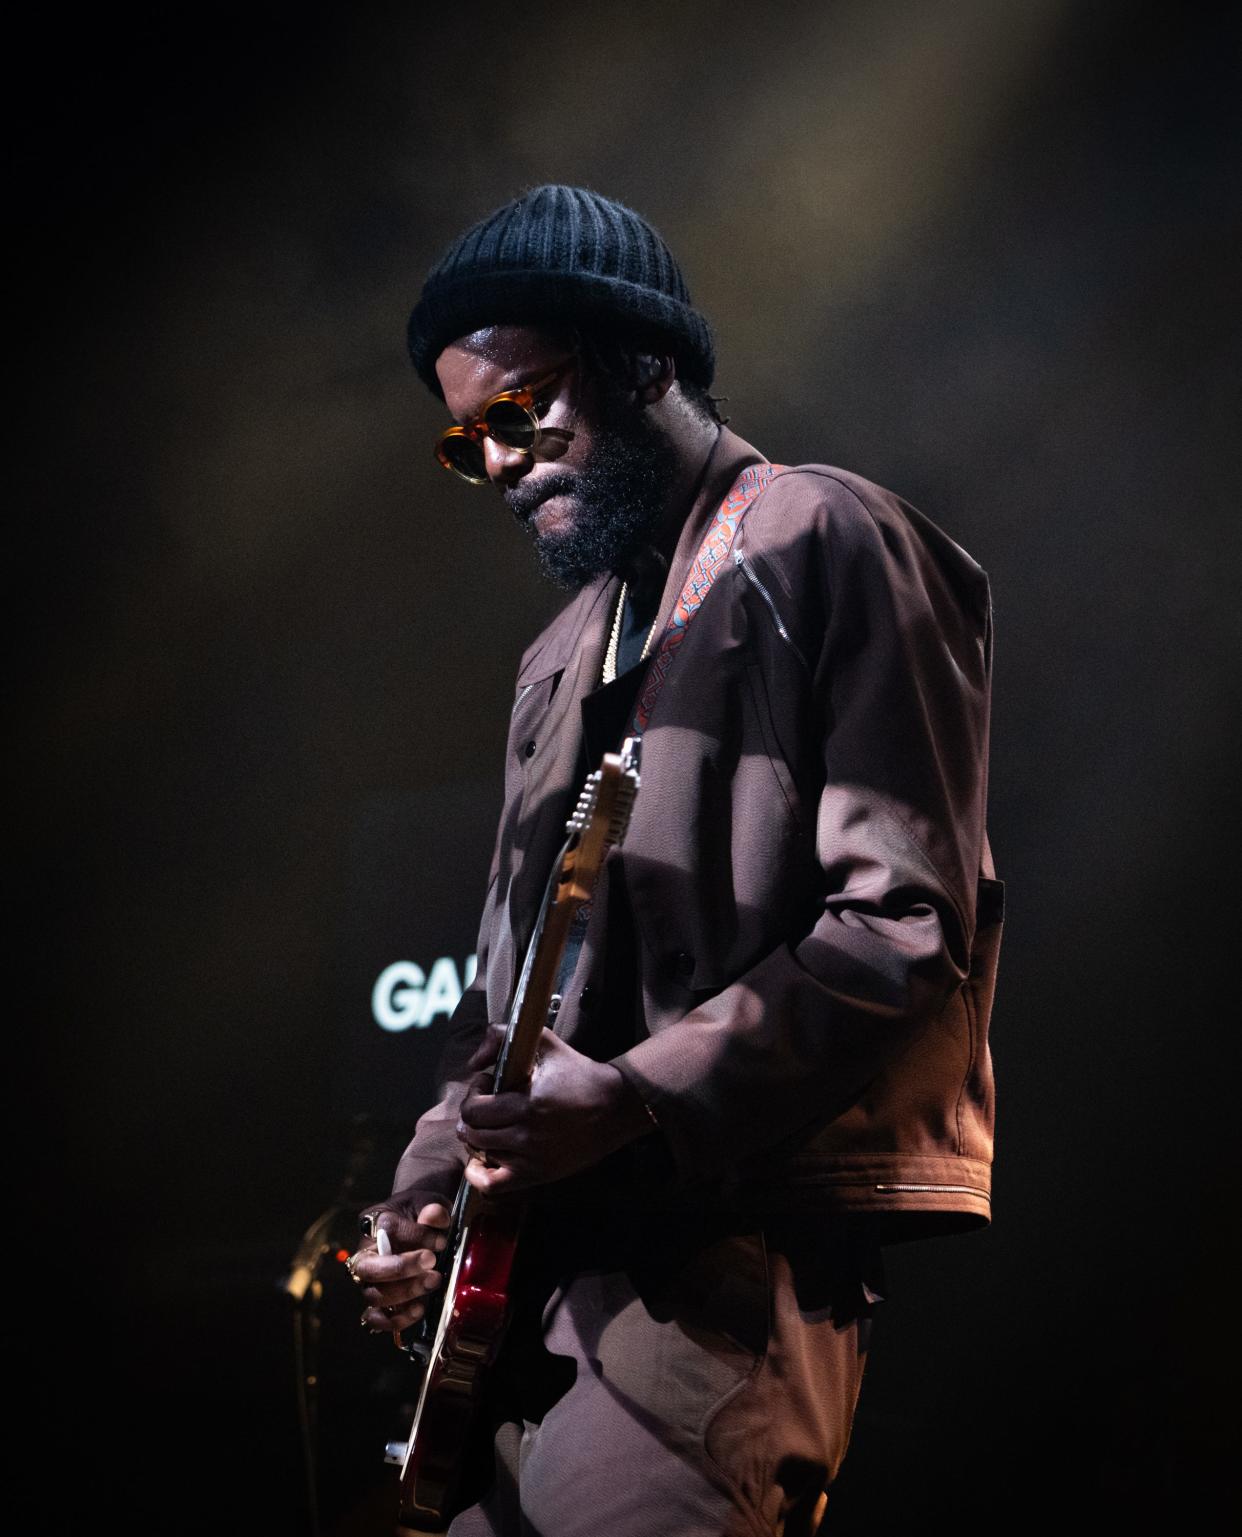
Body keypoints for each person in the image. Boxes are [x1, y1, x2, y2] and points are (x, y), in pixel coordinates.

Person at [349, 184, 1002, 1536]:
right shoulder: (550, 664)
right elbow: (499, 1008)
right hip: (523, 1288)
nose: (506, 459)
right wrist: (420, 1202)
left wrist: (633, 1099)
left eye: (524, 407)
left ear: (643, 359)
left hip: (715, 1256)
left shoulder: (820, 537)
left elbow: (901, 921)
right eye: (470, 441)